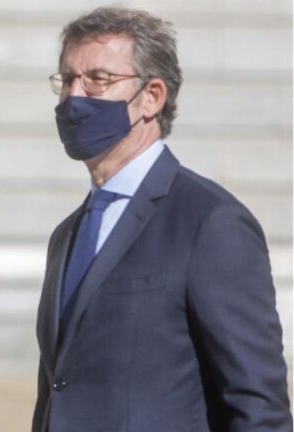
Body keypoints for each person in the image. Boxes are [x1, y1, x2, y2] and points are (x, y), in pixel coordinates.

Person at [33, 7, 291, 432]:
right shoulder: (67, 236)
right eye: (67, 79)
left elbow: (257, 404)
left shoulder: (210, 222)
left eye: (98, 79)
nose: (74, 97)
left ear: (151, 96)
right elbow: (57, 390)